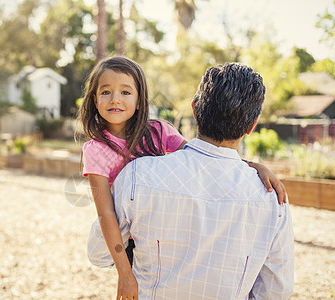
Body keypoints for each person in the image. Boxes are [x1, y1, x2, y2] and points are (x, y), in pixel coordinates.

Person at [86, 62, 294, 299]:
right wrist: (253, 166)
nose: (115, 99)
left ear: (195, 110)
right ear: (252, 125)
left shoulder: (136, 175)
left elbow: (99, 253)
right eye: (106, 92)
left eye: (125, 92)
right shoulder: (272, 198)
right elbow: (276, 290)